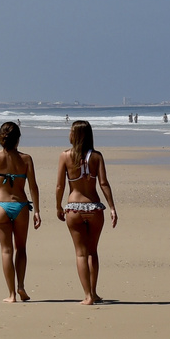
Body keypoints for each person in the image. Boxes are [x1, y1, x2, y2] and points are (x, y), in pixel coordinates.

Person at [56, 120, 117, 305]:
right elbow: (104, 183)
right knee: (92, 252)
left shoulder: (65, 156)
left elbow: (60, 185)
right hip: (94, 207)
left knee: (80, 254)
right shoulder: (97, 156)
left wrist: (58, 206)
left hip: (74, 207)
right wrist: (112, 207)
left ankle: (87, 295)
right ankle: (94, 292)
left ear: (74, 135)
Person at [0, 121, 40, 303]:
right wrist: (37, 211)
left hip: (0, 205)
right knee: (21, 248)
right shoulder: (26, 159)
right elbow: (33, 186)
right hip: (20, 205)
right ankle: (21, 286)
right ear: (18, 139)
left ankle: (11, 294)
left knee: (6, 250)